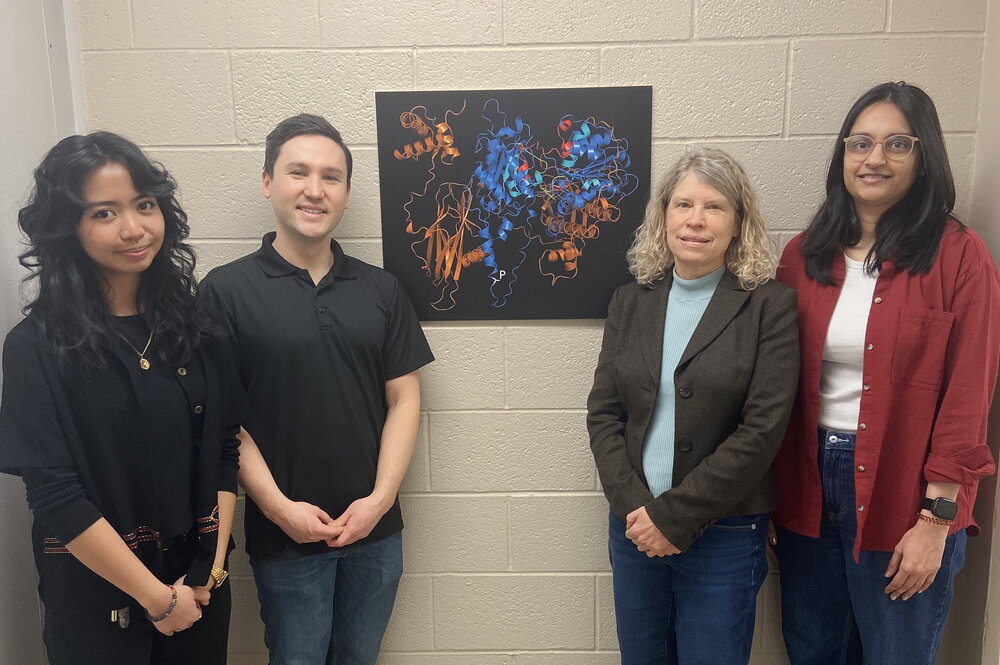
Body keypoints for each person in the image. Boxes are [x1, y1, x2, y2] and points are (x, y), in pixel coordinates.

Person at [773, 81, 1000, 665]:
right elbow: (774, 390)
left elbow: (967, 397)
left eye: (897, 144)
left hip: (907, 490)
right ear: (841, 157)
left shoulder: (958, 256)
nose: (874, 158)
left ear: (924, 160)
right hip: (809, 486)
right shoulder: (802, 257)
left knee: (896, 652)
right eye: (860, 143)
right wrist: (766, 497)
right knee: (814, 651)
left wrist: (937, 519)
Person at [0, 132, 249, 664]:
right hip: (96, 605)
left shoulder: (197, 329)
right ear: (68, 227)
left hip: (198, 592)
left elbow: (226, 450)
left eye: (144, 206)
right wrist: (157, 599)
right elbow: (55, 495)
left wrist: (207, 575)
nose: (134, 229)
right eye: (104, 213)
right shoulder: (36, 347)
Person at [200, 114, 433, 665]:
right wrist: (280, 509)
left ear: (347, 193)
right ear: (267, 182)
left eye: (331, 177)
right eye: (297, 172)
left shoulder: (381, 289)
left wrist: (379, 500)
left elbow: (405, 399)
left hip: (375, 534)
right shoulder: (224, 292)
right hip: (286, 541)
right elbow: (220, 419)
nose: (314, 189)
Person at [587, 147, 799, 664]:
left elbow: (762, 430)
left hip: (724, 532)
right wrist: (636, 508)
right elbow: (604, 413)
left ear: (738, 223)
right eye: (683, 205)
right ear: (663, 217)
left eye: (714, 207)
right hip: (634, 525)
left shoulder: (769, 305)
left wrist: (674, 518)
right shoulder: (630, 301)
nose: (695, 221)